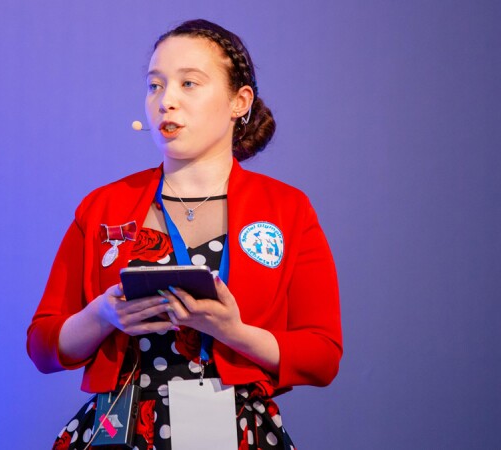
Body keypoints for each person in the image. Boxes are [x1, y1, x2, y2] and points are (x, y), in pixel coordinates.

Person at [27, 19, 342, 450]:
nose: (165, 101)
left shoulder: (287, 208)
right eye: (155, 86)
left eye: (189, 83)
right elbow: (43, 346)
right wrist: (102, 316)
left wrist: (235, 332)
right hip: (123, 427)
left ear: (239, 101)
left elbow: (322, 356)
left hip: (237, 431)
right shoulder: (102, 206)